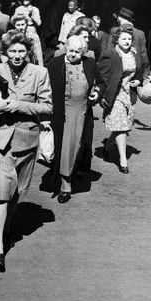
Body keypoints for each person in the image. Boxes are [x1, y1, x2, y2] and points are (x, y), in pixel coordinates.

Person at [0, 30, 53, 272]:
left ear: (28, 52)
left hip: (26, 139)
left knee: (17, 192)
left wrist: (20, 105)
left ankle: (7, 225)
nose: (17, 55)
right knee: (1, 190)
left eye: (21, 51)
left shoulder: (40, 73)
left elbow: (48, 108)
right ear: (4, 52)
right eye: (12, 51)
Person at [47, 35, 100, 203]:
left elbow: (100, 83)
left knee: (79, 146)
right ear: (65, 48)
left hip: (83, 111)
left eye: (78, 51)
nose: (73, 54)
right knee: (65, 148)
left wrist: (97, 92)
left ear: (83, 52)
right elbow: (45, 87)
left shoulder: (90, 63)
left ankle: (73, 172)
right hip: (63, 112)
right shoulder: (55, 65)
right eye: (70, 50)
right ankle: (65, 186)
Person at [98, 25, 146, 174]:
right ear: (117, 39)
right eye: (123, 38)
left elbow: (140, 69)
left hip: (128, 94)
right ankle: (123, 160)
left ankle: (107, 146)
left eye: (129, 39)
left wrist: (138, 81)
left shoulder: (134, 53)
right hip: (115, 94)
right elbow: (102, 75)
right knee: (122, 127)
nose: (127, 41)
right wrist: (102, 94)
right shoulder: (111, 54)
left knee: (123, 126)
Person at [111, 7, 151, 78]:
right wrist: (146, 73)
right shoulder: (140, 33)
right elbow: (143, 55)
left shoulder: (115, 31)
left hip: (117, 70)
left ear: (120, 18)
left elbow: (109, 49)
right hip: (135, 70)